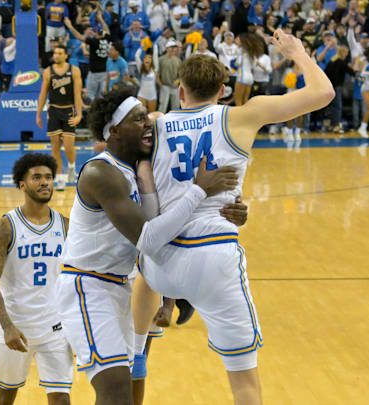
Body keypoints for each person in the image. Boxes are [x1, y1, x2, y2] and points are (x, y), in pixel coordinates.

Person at [133, 29, 334, 405]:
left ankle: (137, 347)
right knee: (244, 382)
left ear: (180, 91)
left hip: (161, 260)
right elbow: (323, 93)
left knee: (143, 270)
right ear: (223, 91)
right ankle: (140, 344)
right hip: (213, 255)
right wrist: (297, 52)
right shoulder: (243, 115)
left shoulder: (155, 124)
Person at [54, 83, 240, 405]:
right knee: (114, 391)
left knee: (122, 394)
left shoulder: (139, 169)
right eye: (138, 119)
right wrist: (199, 191)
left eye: (146, 117)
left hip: (118, 287)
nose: (148, 124)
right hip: (87, 287)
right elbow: (149, 238)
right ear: (113, 130)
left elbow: (167, 222)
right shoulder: (101, 173)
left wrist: (231, 211)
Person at [0, 153, 74, 405]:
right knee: (4, 398)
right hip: (15, 327)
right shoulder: (5, 227)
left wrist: (75, 326)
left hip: (54, 329)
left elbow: (76, 278)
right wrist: (7, 326)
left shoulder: (65, 225)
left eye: (48, 177)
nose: (44, 182)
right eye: (37, 177)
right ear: (22, 184)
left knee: (61, 399)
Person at [36, 45, 83, 191]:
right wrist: (38, 114)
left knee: (69, 145)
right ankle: (60, 178)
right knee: (55, 147)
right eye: (55, 53)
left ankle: (71, 167)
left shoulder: (74, 70)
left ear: (66, 55)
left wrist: (79, 114)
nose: (56, 55)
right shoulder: (48, 71)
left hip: (69, 110)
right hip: (54, 111)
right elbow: (43, 94)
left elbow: (77, 94)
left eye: (59, 53)